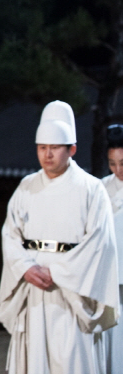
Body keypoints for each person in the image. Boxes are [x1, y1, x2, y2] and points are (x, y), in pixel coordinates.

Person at [0, 100, 119, 373]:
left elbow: (100, 244)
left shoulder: (91, 189)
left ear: (71, 149)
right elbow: (11, 234)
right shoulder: (26, 187)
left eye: (54, 148)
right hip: (34, 291)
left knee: (73, 359)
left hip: (74, 293)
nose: (47, 155)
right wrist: (25, 267)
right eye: (42, 148)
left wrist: (58, 271)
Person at [102, 124, 123, 373]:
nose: (118, 170)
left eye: (122, 163)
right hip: (109, 280)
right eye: (112, 163)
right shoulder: (100, 189)